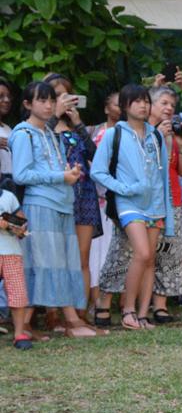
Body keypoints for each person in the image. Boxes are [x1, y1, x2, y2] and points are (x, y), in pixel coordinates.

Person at [12, 81, 101, 338]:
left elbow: (56, 167)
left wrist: (69, 174)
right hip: (39, 205)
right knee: (43, 265)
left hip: (62, 205)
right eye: (42, 100)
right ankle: (67, 322)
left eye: (52, 100)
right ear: (28, 104)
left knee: (60, 264)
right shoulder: (23, 133)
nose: (49, 105)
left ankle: (40, 324)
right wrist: (60, 176)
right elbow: (21, 174)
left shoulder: (51, 134)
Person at [92, 84, 175, 330]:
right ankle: (127, 310)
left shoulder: (156, 135)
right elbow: (97, 171)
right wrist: (123, 189)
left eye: (146, 101)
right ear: (125, 106)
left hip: (156, 204)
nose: (143, 105)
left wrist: (168, 215)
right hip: (129, 204)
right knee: (143, 254)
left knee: (151, 260)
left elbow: (164, 178)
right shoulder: (114, 134)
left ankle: (142, 314)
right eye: (136, 101)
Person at [45, 74, 102, 321]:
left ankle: (80, 312)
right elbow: (41, 145)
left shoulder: (75, 126)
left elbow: (96, 156)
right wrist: (55, 115)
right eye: (57, 95)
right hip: (57, 195)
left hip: (85, 194)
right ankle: (53, 314)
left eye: (67, 95)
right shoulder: (39, 127)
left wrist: (78, 124)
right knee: (56, 257)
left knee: (82, 258)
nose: (63, 100)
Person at [144, 86, 182, 324]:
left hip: (172, 198)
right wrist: (156, 135)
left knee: (169, 253)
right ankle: (134, 305)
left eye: (172, 106)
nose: (169, 109)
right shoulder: (141, 132)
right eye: (164, 103)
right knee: (144, 254)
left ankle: (161, 306)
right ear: (149, 105)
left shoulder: (173, 134)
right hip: (146, 202)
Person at [87, 91, 121, 323]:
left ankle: (115, 302)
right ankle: (94, 302)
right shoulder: (95, 132)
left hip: (118, 201)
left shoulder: (129, 133)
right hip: (97, 201)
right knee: (95, 253)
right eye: (118, 104)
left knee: (114, 251)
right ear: (107, 108)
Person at [0, 186, 31, 349]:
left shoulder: (9, 197)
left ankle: (19, 333)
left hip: (11, 252)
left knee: (17, 293)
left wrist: (16, 227)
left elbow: (23, 226)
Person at [0, 78, 16, 188]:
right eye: (0, 96)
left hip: (11, 182)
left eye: (9, 96)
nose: (6, 100)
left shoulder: (8, 129)